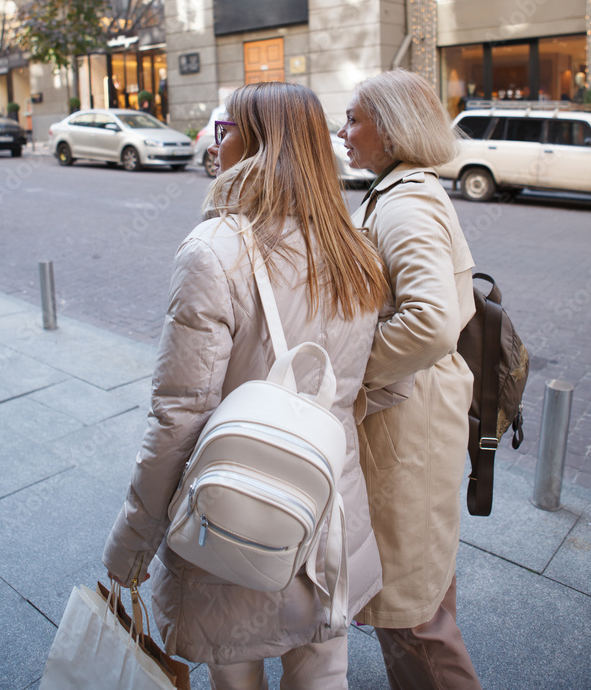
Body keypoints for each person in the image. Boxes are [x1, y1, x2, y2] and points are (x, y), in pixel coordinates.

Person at [103, 81, 393, 690]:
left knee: (236, 673)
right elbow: (368, 387)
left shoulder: (216, 250)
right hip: (330, 507)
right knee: (323, 672)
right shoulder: (357, 251)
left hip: (235, 519)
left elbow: (179, 417)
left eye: (226, 129)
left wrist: (131, 547)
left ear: (261, 143)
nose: (216, 143)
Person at [338, 69, 482, 690]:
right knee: (420, 580)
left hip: (409, 419)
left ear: (390, 129)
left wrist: (350, 372)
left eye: (354, 119)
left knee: (409, 611)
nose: (343, 133)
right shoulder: (396, 192)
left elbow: (430, 323)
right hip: (414, 414)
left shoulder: (407, 203)